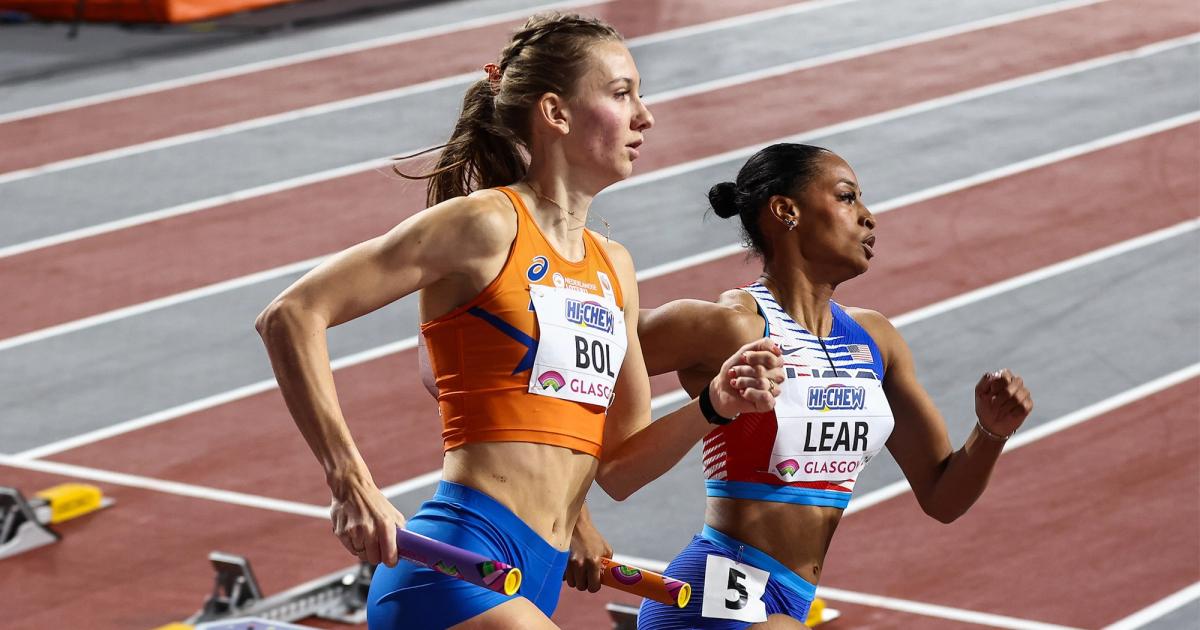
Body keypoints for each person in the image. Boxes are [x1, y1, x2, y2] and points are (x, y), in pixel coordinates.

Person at [255, 13, 785, 630]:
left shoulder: (614, 266)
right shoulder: (485, 224)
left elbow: (621, 465)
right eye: (621, 94)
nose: (646, 116)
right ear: (556, 113)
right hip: (455, 564)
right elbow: (291, 315)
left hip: (533, 572)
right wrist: (352, 483)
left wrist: (714, 406)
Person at [628, 143, 1034, 628]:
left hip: (790, 600)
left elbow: (942, 497)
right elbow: (578, 354)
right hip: (713, 597)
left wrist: (990, 432)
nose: (869, 218)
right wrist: (572, 509)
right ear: (785, 211)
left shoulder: (876, 340)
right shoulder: (730, 326)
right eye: (847, 197)